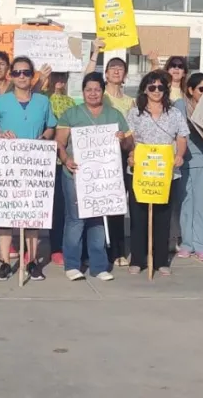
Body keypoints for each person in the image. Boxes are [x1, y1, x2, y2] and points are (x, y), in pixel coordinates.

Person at [55, 72, 132, 281]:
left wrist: (122, 139)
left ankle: (99, 266)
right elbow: (59, 142)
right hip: (75, 174)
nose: (93, 93)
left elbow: (128, 144)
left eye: (97, 89)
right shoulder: (71, 114)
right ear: (83, 92)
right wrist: (66, 159)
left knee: (98, 218)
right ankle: (72, 264)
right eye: (88, 89)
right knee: (76, 219)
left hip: (102, 178)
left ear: (103, 91)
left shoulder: (114, 115)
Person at [0, 56, 58, 281]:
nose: (21, 77)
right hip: (8, 164)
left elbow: (51, 126)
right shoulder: (1, 101)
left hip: (35, 164)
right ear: (10, 75)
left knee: (32, 213)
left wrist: (44, 137)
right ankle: (5, 262)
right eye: (17, 72)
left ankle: (31, 261)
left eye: (26, 72)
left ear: (32, 76)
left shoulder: (42, 101)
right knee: (6, 213)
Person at [126, 70, 189, 276]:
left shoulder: (175, 113)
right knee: (139, 215)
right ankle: (137, 259)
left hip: (165, 172)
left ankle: (161, 260)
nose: (156, 91)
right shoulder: (135, 112)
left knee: (163, 216)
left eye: (160, 87)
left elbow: (182, 137)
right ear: (145, 88)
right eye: (152, 87)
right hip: (141, 170)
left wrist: (179, 154)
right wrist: (131, 153)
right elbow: (129, 139)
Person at [83, 41, 133, 265]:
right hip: (94, 154)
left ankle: (118, 250)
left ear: (125, 75)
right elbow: (88, 78)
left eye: (120, 68)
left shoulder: (131, 102)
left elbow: (132, 132)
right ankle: (92, 249)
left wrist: (128, 146)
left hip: (118, 156)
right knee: (92, 201)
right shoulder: (99, 96)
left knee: (115, 203)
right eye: (112, 67)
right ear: (106, 73)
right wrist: (96, 52)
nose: (116, 70)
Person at [175, 72, 203, 261]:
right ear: (190, 90)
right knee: (186, 205)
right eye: (201, 89)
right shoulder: (179, 107)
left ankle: (201, 245)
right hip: (184, 162)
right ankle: (187, 244)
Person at [42, 71, 76, 266]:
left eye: (64, 76)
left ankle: (57, 247)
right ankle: (34, 248)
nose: (60, 81)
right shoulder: (43, 98)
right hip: (42, 159)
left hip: (62, 161)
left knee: (60, 208)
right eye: (56, 76)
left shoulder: (71, 102)